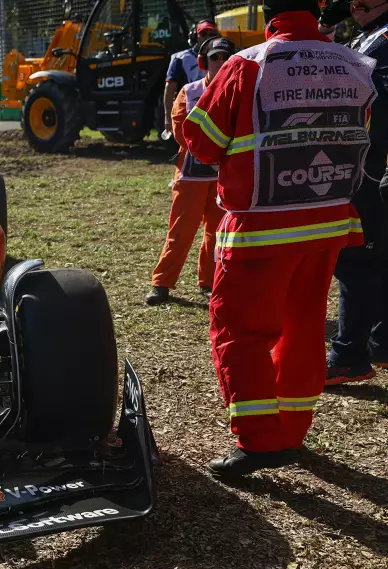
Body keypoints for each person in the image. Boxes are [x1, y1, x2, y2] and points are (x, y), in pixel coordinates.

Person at [182, 0, 375, 477]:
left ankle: (262, 441)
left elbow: (202, 143)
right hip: (329, 221)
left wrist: (201, 95)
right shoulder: (354, 62)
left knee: (241, 332)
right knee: (305, 326)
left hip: (262, 227)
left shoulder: (245, 65)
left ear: (269, 11)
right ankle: (292, 429)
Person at [321, 0, 388, 385]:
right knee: (377, 255)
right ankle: (381, 342)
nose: (353, 5)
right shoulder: (370, 35)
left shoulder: (381, 41)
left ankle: (349, 356)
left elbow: (377, 112)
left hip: (369, 167)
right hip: (371, 166)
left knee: (356, 261)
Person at [146, 37, 236, 306]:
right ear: (203, 62)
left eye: (224, 57)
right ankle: (161, 283)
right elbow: (181, 131)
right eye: (215, 57)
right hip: (190, 176)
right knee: (180, 231)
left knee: (217, 232)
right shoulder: (190, 91)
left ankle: (208, 283)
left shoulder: (238, 91)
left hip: (222, 176)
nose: (220, 62)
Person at [163, 20, 220, 136]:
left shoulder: (224, 56)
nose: (208, 38)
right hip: (188, 116)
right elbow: (169, 89)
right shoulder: (180, 58)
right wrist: (167, 117)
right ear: (195, 37)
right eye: (203, 35)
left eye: (212, 35)